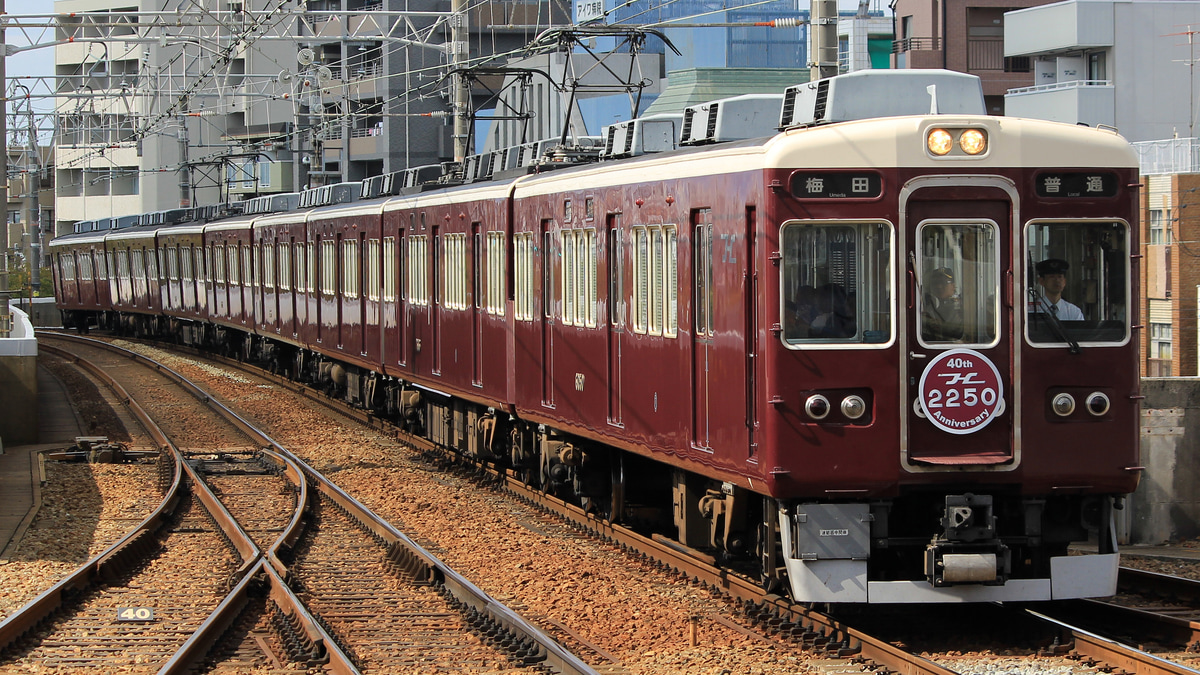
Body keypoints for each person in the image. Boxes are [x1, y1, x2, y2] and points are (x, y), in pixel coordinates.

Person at [922, 267, 963, 341]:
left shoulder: (958, 307)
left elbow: (954, 331)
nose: (939, 286)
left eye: (943, 283)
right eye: (935, 283)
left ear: (953, 286)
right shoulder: (931, 305)